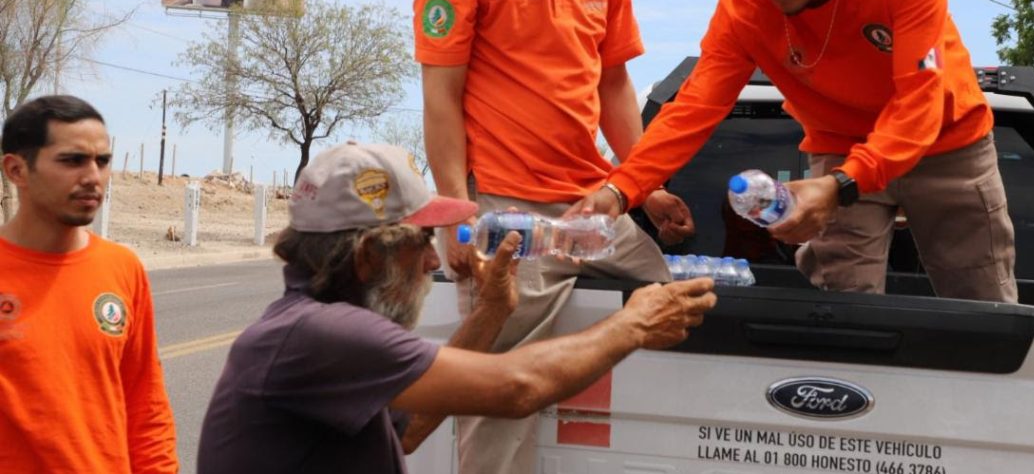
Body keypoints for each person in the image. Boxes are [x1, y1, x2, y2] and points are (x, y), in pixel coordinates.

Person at [571, 0, 1018, 304]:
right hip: (839, 145)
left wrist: (842, 185)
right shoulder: (742, 6)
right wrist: (620, 190)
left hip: (946, 142)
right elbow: (694, 108)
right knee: (841, 306)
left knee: (984, 304)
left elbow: (921, 97)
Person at [196, 142, 716, 474]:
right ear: (368, 255)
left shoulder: (312, 329)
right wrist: (633, 324)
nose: (432, 261)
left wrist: (490, 313)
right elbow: (518, 388)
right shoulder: (323, 334)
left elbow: (410, 430)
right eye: (421, 241)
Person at [414, 0, 698, 471]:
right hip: (507, 207)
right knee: (499, 397)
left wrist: (646, 187)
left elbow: (613, 84)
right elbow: (441, 97)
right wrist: (456, 214)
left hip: (593, 207)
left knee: (681, 307)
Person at [0, 96, 178, 473]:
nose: (93, 177)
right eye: (72, 160)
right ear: (16, 170)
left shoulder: (122, 267)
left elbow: (146, 405)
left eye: (103, 161)